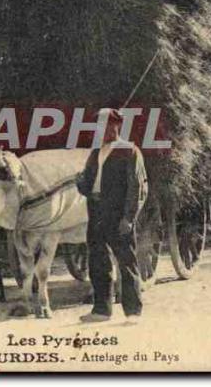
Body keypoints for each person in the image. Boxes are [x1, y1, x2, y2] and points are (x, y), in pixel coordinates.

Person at [76, 108, 148, 322]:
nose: (101, 130)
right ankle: (101, 310)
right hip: (96, 211)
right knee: (98, 262)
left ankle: (133, 312)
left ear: (117, 126)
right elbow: (87, 185)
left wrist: (129, 218)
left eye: (106, 125)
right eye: (98, 125)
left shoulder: (129, 150)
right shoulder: (96, 152)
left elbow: (138, 187)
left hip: (119, 214)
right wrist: (79, 181)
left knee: (126, 262)